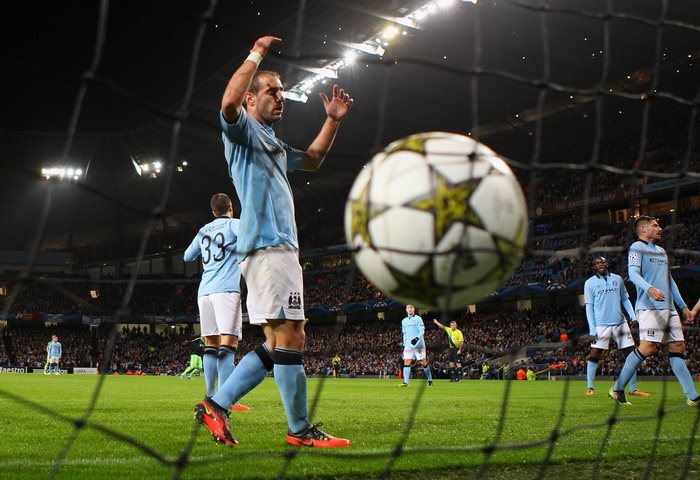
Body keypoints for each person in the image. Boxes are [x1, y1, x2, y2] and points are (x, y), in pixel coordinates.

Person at [194, 35, 353, 448]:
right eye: (272, 91)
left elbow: (312, 159)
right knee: (292, 334)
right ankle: (299, 429)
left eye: (282, 92)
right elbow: (228, 103)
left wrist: (333, 120)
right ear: (252, 99)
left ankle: (216, 405)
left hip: (277, 249)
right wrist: (256, 52)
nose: (280, 98)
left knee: (276, 341)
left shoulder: (274, 143)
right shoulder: (242, 131)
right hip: (267, 246)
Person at [609, 216, 699, 406]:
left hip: (669, 308)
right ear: (643, 230)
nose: (660, 228)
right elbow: (633, 274)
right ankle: (618, 388)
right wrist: (649, 288)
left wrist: (683, 306)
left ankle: (692, 397)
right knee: (648, 347)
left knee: (678, 348)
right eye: (655, 226)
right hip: (649, 307)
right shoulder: (636, 247)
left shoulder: (661, 251)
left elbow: (670, 281)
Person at [183, 193, 249, 410]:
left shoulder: (203, 230)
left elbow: (187, 256)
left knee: (211, 343)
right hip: (226, 291)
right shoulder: (234, 224)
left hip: (204, 292)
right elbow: (250, 237)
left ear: (213, 212)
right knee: (228, 343)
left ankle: (210, 396)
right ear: (231, 207)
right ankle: (225, 399)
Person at [583, 256, 649, 397]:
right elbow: (589, 307)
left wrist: (633, 316)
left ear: (607, 264)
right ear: (594, 267)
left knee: (631, 354)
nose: (601, 264)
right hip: (601, 325)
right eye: (597, 263)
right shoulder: (589, 283)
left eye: (603, 261)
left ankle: (633, 389)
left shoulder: (617, 279)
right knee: (595, 354)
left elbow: (625, 299)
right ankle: (590, 387)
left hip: (620, 323)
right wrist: (592, 329)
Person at [399, 305, 433, 387]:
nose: (409, 309)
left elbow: (422, 331)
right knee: (407, 361)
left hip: (418, 344)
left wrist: (417, 338)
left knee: (423, 362)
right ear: (406, 310)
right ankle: (406, 382)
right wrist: (404, 344)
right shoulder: (404, 321)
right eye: (408, 308)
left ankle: (430, 380)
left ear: (414, 309)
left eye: (411, 307)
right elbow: (404, 333)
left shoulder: (418, 318)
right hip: (408, 345)